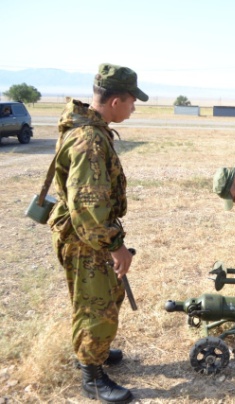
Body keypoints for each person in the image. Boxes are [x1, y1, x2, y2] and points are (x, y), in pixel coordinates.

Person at [48, 63, 148, 403]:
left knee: (104, 297)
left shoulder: (91, 130)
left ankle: (96, 351)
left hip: (89, 235)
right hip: (86, 239)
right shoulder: (89, 140)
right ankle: (91, 377)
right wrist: (115, 245)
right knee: (96, 305)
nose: (134, 108)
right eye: (132, 101)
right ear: (116, 101)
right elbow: (88, 206)